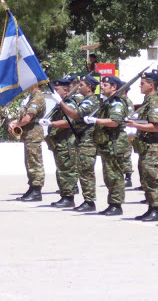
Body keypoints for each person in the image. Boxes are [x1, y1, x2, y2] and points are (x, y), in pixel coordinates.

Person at [126, 71, 158, 222]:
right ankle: (151, 207)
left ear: (151, 85)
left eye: (143, 84)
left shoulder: (156, 102)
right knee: (146, 179)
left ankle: (157, 209)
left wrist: (135, 125)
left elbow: (155, 127)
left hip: (153, 147)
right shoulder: (147, 101)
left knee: (153, 178)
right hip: (145, 147)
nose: (140, 86)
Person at [86, 76, 128, 215]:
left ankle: (116, 205)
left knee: (115, 175)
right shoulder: (108, 102)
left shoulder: (117, 103)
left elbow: (114, 121)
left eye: (105, 85)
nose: (102, 87)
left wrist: (96, 120)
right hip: (107, 144)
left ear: (114, 87)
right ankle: (112, 203)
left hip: (114, 143)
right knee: (109, 175)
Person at [57, 75, 100, 212]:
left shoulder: (90, 101)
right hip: (82, 138)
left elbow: (75, 115)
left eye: (81, 85)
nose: (78, 87)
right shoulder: (85, 100)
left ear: (89, 87)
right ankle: (87, 200)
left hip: (88, 140)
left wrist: (61, 103)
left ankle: (89, 201)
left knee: (86, 171)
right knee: (82, 170)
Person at [40, 77, 80, 208]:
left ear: (66, 90)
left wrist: (51, 123)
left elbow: (68, 122)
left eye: (57, 90)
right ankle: (64, 195)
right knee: (61, 170)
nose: (54, 93)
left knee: (67, 171)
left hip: (67, 143)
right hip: (59, 143)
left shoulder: (70, 104)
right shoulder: (61, 104)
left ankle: (69, 197)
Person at [9, 85, 47, 202]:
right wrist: (15, 122)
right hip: (28, 134)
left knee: (35, 162)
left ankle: (37, 190)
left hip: (33, 133)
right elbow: (23, 117)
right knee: (29, 162)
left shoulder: (37, 96)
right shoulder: (30, 96)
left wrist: (17, 124)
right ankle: (32, 187)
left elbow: (27, 119)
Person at [120, 88, 135, 188]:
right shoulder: (120, 101)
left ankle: (128, 178)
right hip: (122, 131)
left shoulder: (127, 102)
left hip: (127, 131)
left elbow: (129, 117)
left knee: (126, 154)